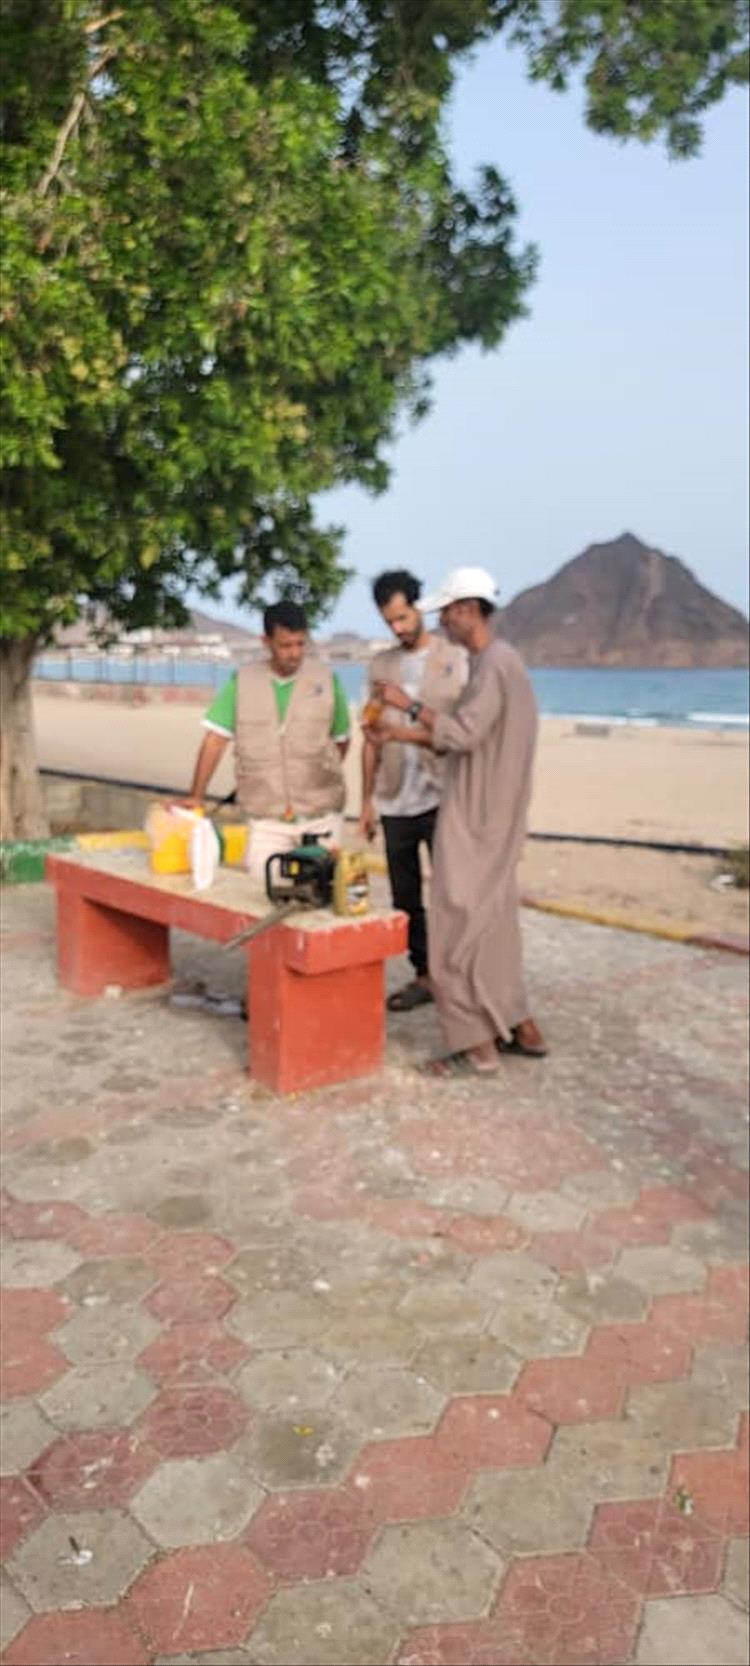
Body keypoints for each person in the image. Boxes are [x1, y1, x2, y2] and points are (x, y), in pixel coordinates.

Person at [366, 565, 546, 1075]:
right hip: (496, 812)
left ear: (467, 609)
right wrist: (400, 736)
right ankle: (517, 1023)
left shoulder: (491, 664)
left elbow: (463, 734)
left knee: (451, 927)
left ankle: (476, 1046)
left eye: (446, 611)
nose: (442, 621)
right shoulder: (500, 663)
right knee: (493, 923)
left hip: (475, 814)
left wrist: (409, 707)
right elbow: (475, 737)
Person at [186, 599, 351, 887]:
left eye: (300, 644)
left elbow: (341, 742)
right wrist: (196, 797)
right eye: (285, 645)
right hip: (266, 821)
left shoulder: (326, 680)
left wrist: (317, 771)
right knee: (262, 895)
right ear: (266, 642)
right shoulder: (242, 682)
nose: (294, 653)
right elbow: (214, 740)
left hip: (322, 818)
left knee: (321, 897)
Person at [360, 570, 466, 1011]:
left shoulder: (455, 658)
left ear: (420, 607)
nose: (398, 628)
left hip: (444, 796)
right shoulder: (380, 666)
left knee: (453, 894)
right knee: (405, 898)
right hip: (394, 799)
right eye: (390, 622)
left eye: (403, 617)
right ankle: (424, 975)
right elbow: (370, 736)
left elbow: (463, 732)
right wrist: (366, 801)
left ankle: (458, 979)